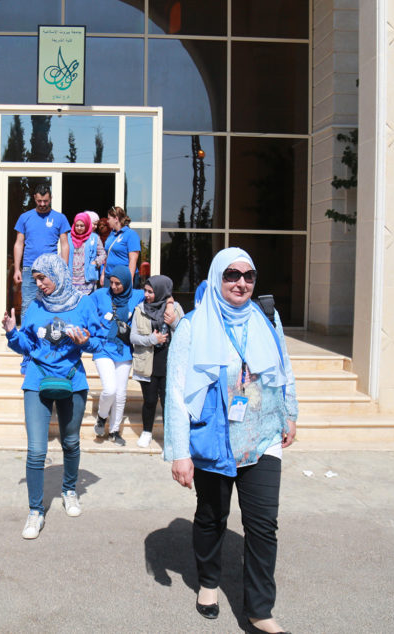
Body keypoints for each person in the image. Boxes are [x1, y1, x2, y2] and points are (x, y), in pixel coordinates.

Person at [164, 248, 297, 632]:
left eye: (249, 275)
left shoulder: (267, 317)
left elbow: (284, 368)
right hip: (215, 439)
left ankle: (259, 609)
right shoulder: (191, 326)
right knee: (211, 515)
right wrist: (179, 451)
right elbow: (176, 392)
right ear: (217, 277)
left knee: (263, 524)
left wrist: (290, 413)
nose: (241, 283)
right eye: (232, 275)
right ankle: (208, 583)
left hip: (262, 435)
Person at [2, 253, 100, 539]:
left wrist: (86, 342)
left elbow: (99, 340)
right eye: (36, 280)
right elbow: (26, 345)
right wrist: (11, 333)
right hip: (37, 380)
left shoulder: (84, 303)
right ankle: (35, 510)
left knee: (70, 441)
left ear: (57, 274)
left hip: (72, 379)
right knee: (36, 450)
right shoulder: (34, 307)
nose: (40, 284)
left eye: (42, 278)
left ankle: (69, 489)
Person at [90, 265, 144, 446]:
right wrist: (93, 329)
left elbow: (159, 294)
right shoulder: (99, 295)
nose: (113, 287)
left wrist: (169, 304)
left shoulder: (135, 295)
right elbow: (85, 309)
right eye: (111, 282)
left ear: (127, 283)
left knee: (120, 394)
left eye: (118, 284)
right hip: (103, 348)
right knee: (110, 389)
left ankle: (114, 431)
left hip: (124, 349)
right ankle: (101, 417)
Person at [129, 275, 184, 448]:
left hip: (169, 362)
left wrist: (174, 322)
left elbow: (186, 334)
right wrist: (152, 339)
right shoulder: (140, 309)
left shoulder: (174, 308)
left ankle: (169, 439)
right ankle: (147, 432)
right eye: (145, 291)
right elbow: (133, 337)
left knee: (168, 402)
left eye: (150, 292)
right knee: (150, 400)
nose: (146, 295)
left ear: (161, 291)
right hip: (148, 362)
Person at [13, 184, 71, 321]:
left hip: (50, 271)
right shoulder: (24, 217)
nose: (43, 204)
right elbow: (18, 243)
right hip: (29, 269)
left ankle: (48, 336)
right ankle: (26, 339)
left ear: (51, 198)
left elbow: (64, 245)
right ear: (34, 198)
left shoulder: (60, 218)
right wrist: (16, 269)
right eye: (39, 201)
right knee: (27, 304)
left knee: (51, 304)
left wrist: (64, 268)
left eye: (45, 201)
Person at [68, 211, 105, 294]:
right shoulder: (69, 237)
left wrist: (95, 262)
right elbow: (63, 254)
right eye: (77, 225)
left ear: (87, 225)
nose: (79, 228)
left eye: (82, 226)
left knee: (87, 302)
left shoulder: (94, 238)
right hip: (71, 277)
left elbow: (102, 254)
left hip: (87, 279)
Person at [103, 206, 141, 280]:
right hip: (109, 275)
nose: (107, 221)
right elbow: (108, 255)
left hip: (123, 278)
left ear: (116, 219)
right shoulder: (112, 234)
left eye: (109, 218)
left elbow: (133, 259)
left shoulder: (131, 234)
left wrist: (129, 280)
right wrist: (103, 274)